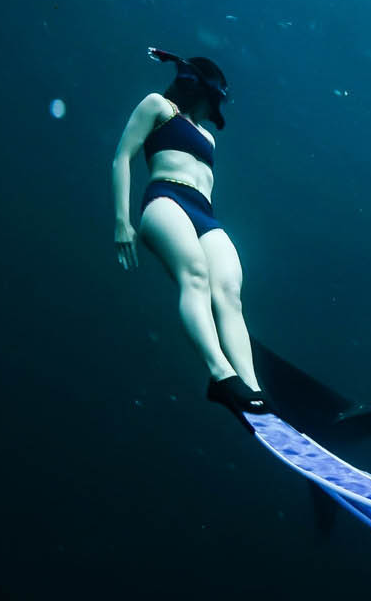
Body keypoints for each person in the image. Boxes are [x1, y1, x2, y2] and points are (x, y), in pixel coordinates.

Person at [112, 49, 268, 421]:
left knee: (229, 291)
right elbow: (122, 157)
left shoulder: (208, 139)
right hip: (165, 198)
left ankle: (252, 388)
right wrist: (122, 221)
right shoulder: (157, 106)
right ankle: (220, 374)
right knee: (195, 276)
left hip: (204, 212)